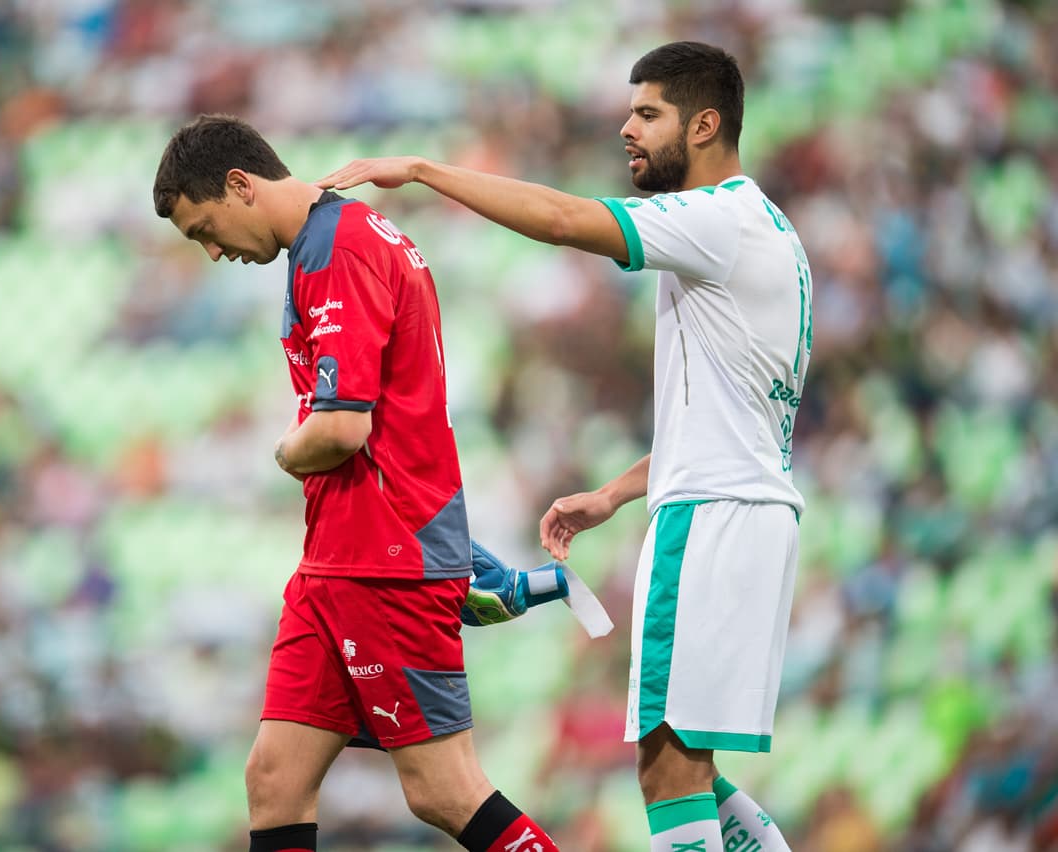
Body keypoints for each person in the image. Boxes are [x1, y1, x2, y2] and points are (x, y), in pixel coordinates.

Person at [319, 41, 810, 852]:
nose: (628, 128)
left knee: (668, 769)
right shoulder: (770, 233)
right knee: (690, 765)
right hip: (752, 510)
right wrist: (616, 492)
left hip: (711, 523)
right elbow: (736, 419)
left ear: (706, 123)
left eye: (649, 113)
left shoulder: (714, 220)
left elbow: (558, 219)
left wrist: (423, 171)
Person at [152, 115, 560, 852]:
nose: (212, 251)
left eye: (204, 228)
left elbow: (342, 430)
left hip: (384, 552)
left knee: (444, 789)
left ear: (240, 185)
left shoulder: (335, 251)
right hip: (337, 557)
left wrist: (283, 452)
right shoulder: (342, 237)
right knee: (275, 779)